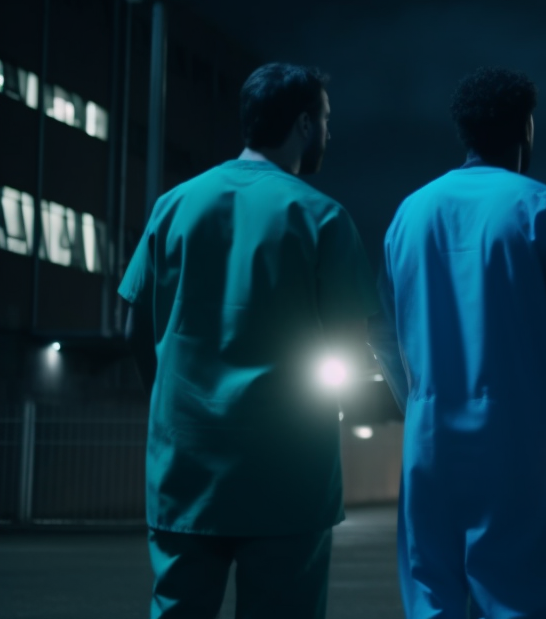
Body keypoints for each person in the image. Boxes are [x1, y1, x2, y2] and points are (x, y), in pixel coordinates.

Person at [119, 63, 377, 619]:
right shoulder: (322, 218)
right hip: (288, 472)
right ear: (305, 125)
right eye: (327, 121)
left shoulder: (175, 206)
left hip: (185, 467)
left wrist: (169, 408)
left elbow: (134, 326)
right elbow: (351, 347)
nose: (329, 134)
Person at [375, 66, 546, 619]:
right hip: (517, 434)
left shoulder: (409, 214)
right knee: (516, 595)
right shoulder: (545, 209)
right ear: (524, 130)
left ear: (463, 131)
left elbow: (385, 332)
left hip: (430, 435)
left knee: (431, 593)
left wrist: (415, 398)